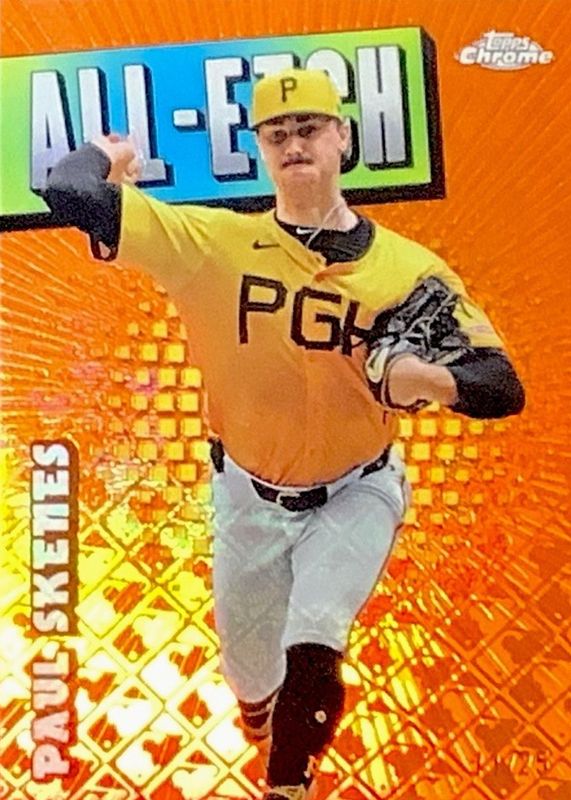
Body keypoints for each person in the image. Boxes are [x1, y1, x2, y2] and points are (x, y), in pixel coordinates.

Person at [44, 68, 525, 800]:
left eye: (309, 128)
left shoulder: (408, 269)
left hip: (356, 491)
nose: (294, 143)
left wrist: (429, 379)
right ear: (261, 149)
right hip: (248, 497)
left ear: (342, 138)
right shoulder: (212, 242)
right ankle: (265, 719)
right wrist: (106, 157)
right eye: (277, 133)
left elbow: (502, 386)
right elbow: (68, 191)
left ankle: (286, 785)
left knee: (315, 635)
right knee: (250, 675)